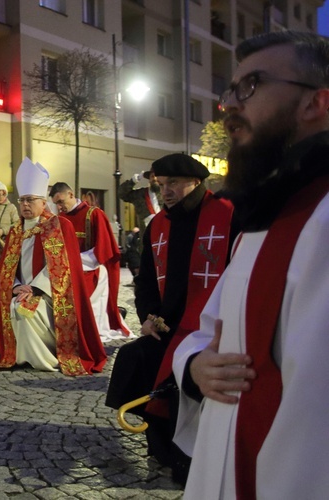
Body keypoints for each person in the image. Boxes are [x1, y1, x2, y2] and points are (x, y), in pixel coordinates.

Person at [172, 31, 329, 499]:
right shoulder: (268, 216)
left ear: (315, 103)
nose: (230, 105)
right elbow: (210, 329)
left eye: (252, 85)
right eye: (230, 89)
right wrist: (196, 365)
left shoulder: (320, 216)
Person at [105, 153, 235, 483]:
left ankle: (188, 458)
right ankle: (160, 449)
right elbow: (146, 280)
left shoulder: (227, 215)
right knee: (136, 359)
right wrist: (147, 318)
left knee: (176, 376)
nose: (166, 192)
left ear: (196, 182)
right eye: (161, 185)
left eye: (173, 183)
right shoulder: (158, 226)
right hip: (168, 327)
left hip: (214, 327)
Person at [0, 157, 106, 375]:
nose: (25, 204)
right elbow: (7, 267)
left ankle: (46, 359)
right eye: (22, 200)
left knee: (25, 312)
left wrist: (34, 288)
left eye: (31, 200)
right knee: (15, 306)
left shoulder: (59, 226)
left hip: (51, 293)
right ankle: (21, 356)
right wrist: (16, 286)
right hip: (23, 290)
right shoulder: (16, 231)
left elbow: (61, 266)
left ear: (44, 202)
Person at [50, 182, 130, 341]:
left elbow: (103, 249)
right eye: (56, 204)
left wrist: (73, 260)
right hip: (68, 269)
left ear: (71, 195)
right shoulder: (59, 219)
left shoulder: (93, 214)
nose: (59, 207)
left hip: (92, 269)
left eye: (61, 202)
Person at [118, 169, 162, 235]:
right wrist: (133, 181)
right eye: (152, 176)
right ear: (149, 179)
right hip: (146, 239)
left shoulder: (170, 194)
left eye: (157, 176)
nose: (155, 179)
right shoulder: (140, 194)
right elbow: (122, 194)